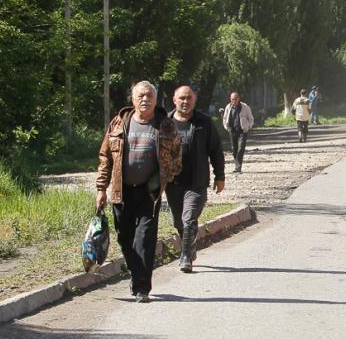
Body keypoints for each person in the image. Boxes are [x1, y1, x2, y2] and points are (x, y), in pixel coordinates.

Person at [95, 81, 181, 303]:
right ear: (132, 100)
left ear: (156, 99)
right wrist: (101, 189)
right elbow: (105, 157)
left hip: (149, 193)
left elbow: (176, 158)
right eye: (141, 96)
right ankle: (136, 275)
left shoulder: (166, 126)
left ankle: (142, 288)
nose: (145, 99)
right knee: (125, 238)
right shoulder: (118, 123)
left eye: (149, 96)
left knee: (144, 239)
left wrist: (162, 179)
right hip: (121, 191)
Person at [167, 85, 224, 273]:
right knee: (178, 222)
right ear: (174, 100)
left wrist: (220, 176)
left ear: (194, 100)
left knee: (189, 218)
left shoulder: (204, 122)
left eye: (189, 98)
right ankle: (189, 247)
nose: (185, 101)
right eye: (182, 98)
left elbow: (215, 150)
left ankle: (185, 257)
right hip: (173, 182)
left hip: (196, 181)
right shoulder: (165, 122)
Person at [222, 93, 254, 173]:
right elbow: (225, 119)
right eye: (232, 99)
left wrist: (248, 127)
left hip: (242, 131)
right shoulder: (228, 107)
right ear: (230, 99)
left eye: (235, 99)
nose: (234, 101)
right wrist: (227, 127)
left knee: (241, 149)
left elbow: (251, 119)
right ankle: (237, 164)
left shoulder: (245, 107)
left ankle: (238, 167)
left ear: (239, 99)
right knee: (234, 149)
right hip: (232, 131)